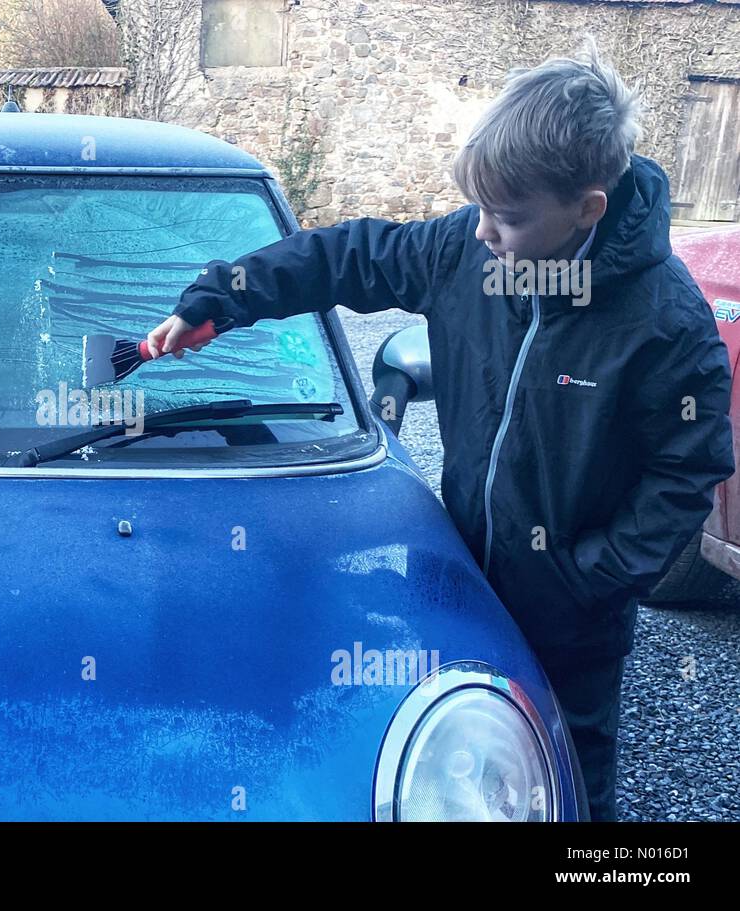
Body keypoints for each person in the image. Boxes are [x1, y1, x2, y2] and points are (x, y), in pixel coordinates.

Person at [147, 37, 735, 821]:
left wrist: (590, 577)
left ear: (587, 208)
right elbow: (347, 256)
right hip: (463, 580)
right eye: (480, 209)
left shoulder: (666, 323)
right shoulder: (467, 250)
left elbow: (689, 470)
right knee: (453, 774)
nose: (484, 231)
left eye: (508, 216)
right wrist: (223, 296)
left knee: (566, 787)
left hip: (575, 626)